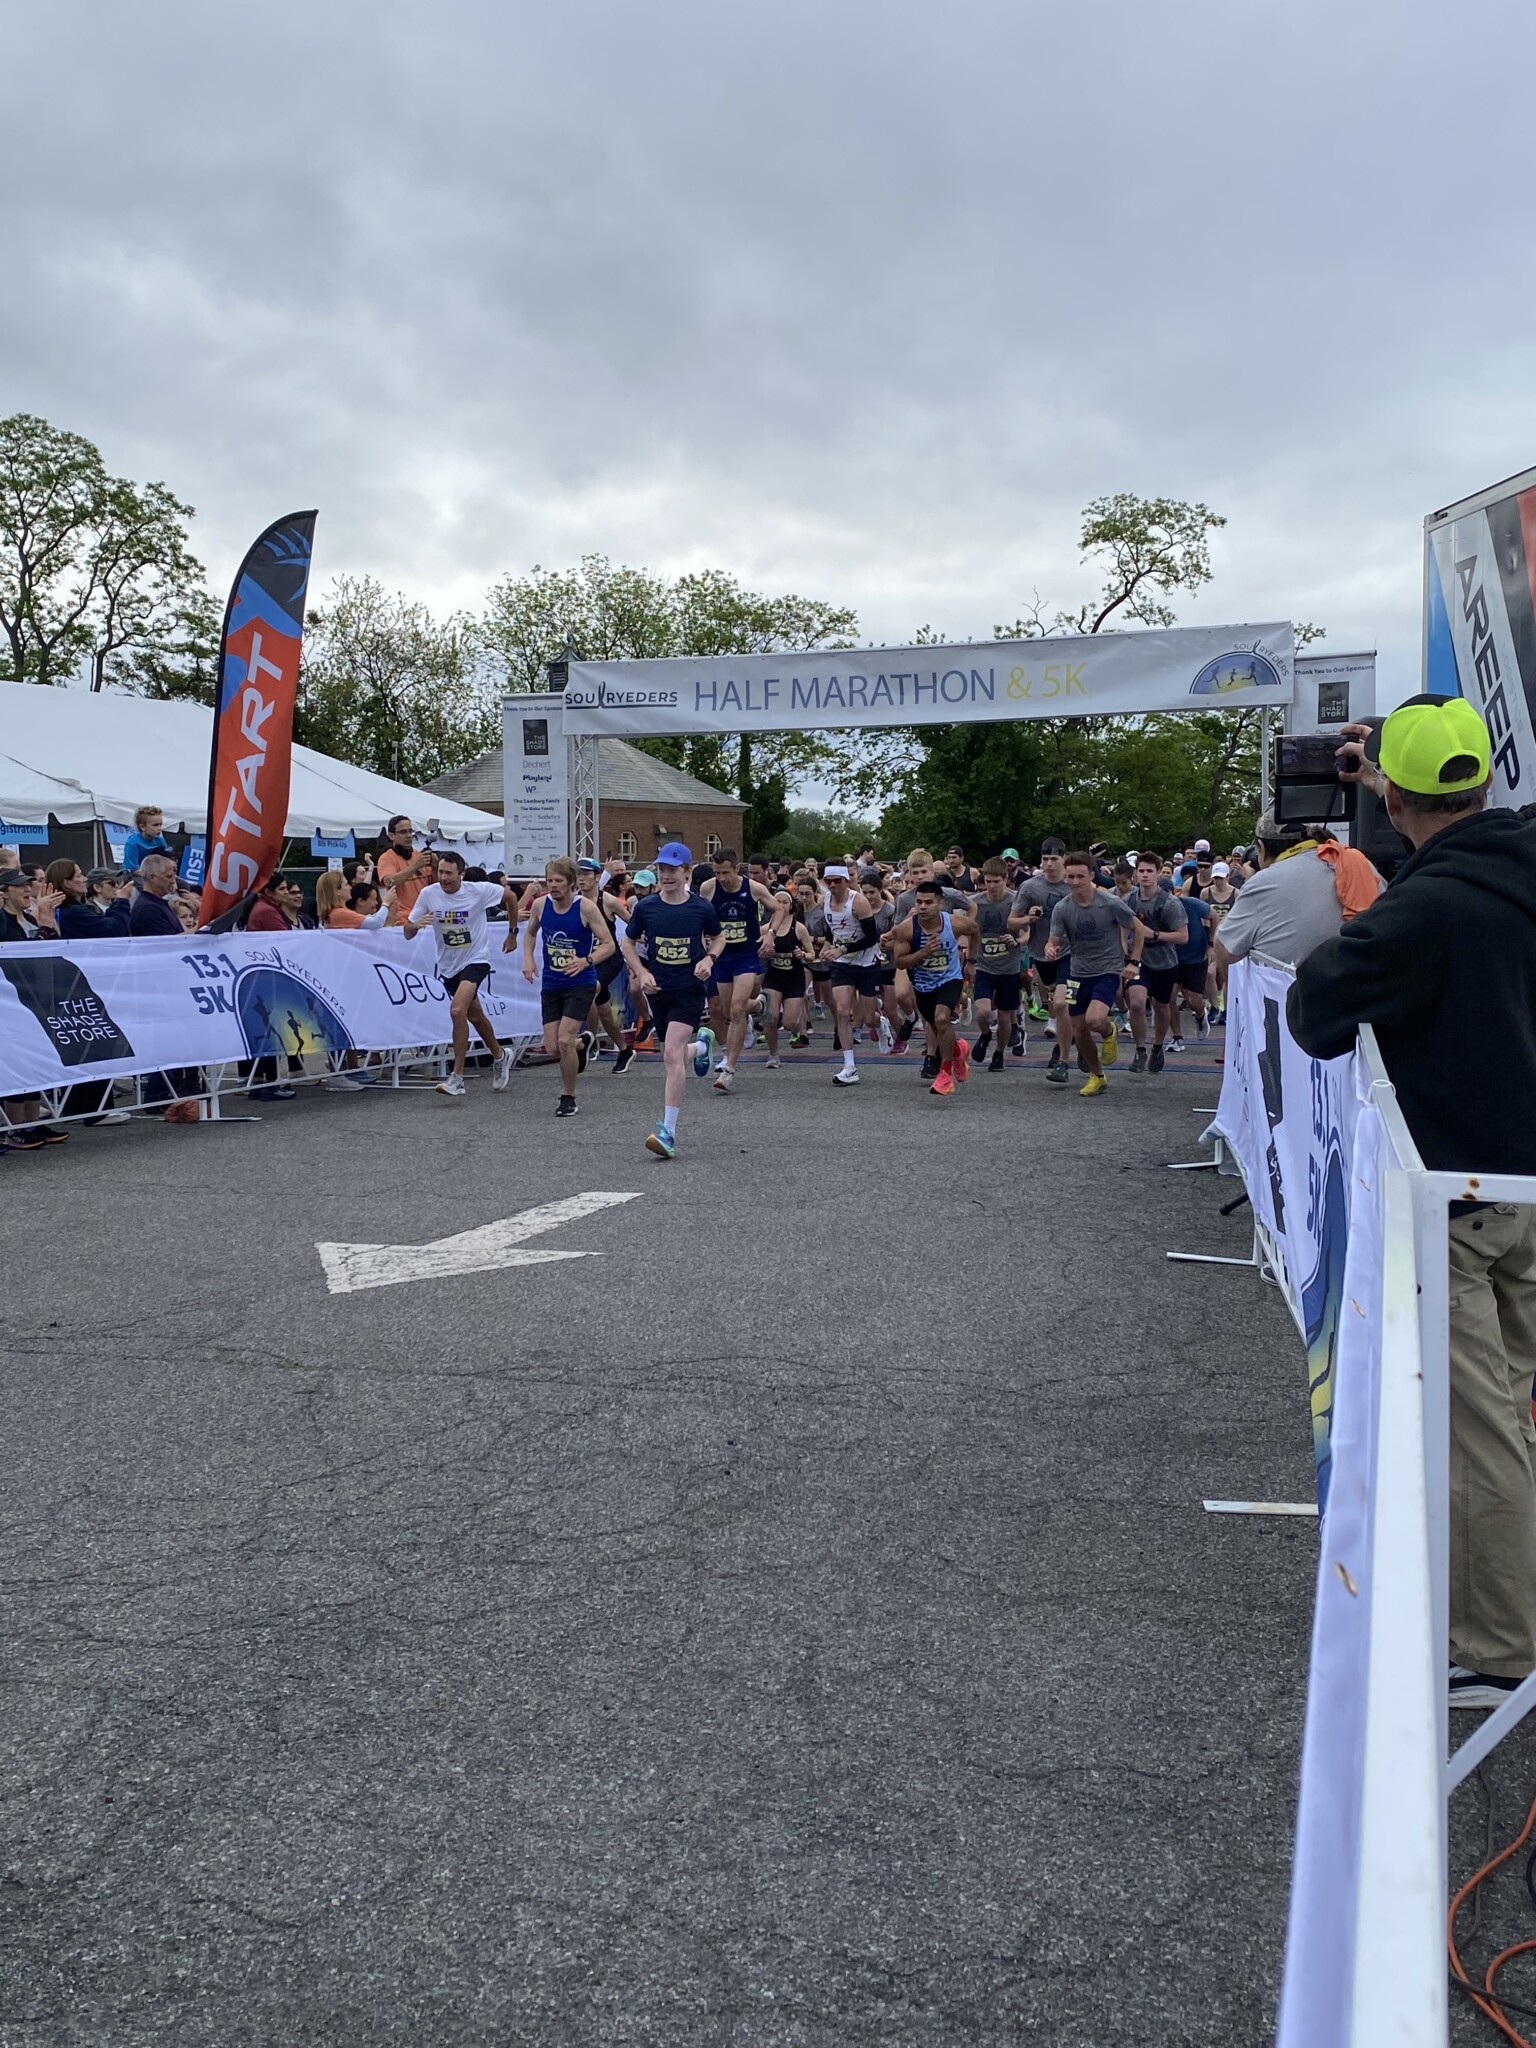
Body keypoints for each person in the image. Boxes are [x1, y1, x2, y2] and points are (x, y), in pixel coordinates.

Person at [1288, 696, 1536, 1712]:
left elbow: (1314, 1009)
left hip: (1464, 1196)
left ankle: (1494, 1643)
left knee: (1477, 1428)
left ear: (1389, 796)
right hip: (1520, 1188)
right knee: (1513, 1406)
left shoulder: (1424, 910)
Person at [618, 842, 725, 1159]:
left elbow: (718, 937)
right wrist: (640, 971)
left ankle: (668, 1132)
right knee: (673, 1053)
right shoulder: (647, 908)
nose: (666, 875)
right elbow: (628, 941)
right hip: (658, 990)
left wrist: (709, 959)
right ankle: (703, 1046)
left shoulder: (701, 909)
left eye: (672, 869)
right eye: (662, 869)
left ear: (687, 872)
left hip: (690, 989)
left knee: (670, 1058)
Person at [405, 851, 517, 1098]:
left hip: (476, 959)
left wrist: (513, 932)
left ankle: (457, 1078)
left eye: (448, 873)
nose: (443, 878)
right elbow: (407, 932)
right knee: (475, 1015)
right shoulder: (429, 894)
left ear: (461, 875)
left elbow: (511, 897)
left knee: (457, 1010)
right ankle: (500, 1056)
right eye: (440, 872)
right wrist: (415, 924)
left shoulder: (478, 890)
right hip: (448, 966)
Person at [520, 856, 614, 1117]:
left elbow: (609, 944)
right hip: (552, 982)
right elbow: (529, 933)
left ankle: (568, 1096)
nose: (553, 886)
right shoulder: (540, 905)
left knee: (563, 1041)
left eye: (559, 881)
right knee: (553, 1047)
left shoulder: (585, 908)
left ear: (572, 883)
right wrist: (528, 958)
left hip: (580, 982)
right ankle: (582, 1042)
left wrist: (586, 961)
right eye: (550, 881)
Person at [1044, 854, 1138, 1097]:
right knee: (1079, 1030)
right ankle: (1097, 1076)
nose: (1075, 882)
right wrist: (1050, 948)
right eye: (1071, 877)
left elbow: (1137, 928)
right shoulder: (1063, 908)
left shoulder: (1108, 902)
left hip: (1107, 969)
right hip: (1077, 972)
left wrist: (1134, 961)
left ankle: (1109, 1031)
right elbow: (1053, 939)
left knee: (1094, 1020)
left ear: (1092, 877)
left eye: (1080, 877)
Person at [1213, 810, 1347, 970]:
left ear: (1261, 848)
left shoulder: (1264, 881)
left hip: (1296, 992)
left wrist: (1250, 882)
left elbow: (1224, 952)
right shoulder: (1357, 864)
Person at [129, 855, 203, 1120]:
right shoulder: (147, 908)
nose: (174, 879)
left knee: (174, 1040)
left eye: (174, 874)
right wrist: (198, 934)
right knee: (166, 1041)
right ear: (151, 877)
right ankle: (158, 1095)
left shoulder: (158, 905)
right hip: (157, 983)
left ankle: (170, 1091)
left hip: (167, 981)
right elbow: (164, 945)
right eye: (169, 875)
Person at [700, 849, 776, 1093]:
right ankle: (760, 1005)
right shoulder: (708, 888)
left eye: (726, 872)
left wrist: (770, 935)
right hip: (722, 955)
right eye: (717, 872)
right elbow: (702, 917)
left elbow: (780, 908)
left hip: (746, 954)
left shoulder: (753, 888)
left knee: (735, 1008)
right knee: (727, 1010)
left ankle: (729, 1069)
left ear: (736, 868)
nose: (722, 877)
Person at [892, 878, 977, 1095]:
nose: (922, 906)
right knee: (939, 1027)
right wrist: (923, 953)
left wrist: (971, 962)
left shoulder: (954, 923)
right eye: (919, 901)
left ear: (940, 903)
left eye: (928, 902)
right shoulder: (906, 930)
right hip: (923, 984)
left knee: (942, 1019)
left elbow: (975, 930)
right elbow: (900, 962)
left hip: (950, 979)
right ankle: (959, 1050)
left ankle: (945, 1074)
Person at [818, 864, 882, 1088]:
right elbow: (831, 927)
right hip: (841, 964)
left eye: (837, 881)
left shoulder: (859, 902)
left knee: (869, 1017)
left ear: (846, 880)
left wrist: (842, 949)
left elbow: (872, 937)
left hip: (866, 962)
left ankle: (879, 1022)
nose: (833, 885)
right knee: (843, 1011)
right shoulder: (824, 899)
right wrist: (827, 945)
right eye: (829, 881)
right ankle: (849, 1066)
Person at [1125, 853, 1187, 1075]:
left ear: (1158, 873)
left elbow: (1183, 936)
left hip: (1164, 961)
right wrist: (1124, 944)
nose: (1145, 875)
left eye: (1149, 871)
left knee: (1162, 1006)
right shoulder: (1130, 900)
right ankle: (1140, 1049)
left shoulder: (1170, 903)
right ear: (1135, 873)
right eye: (1141, 871)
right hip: (1139, 960)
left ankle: (1158, 1046)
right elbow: (1120, 922)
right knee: (1137, 1003)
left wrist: (1156, 934)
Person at [1014, 840, 1071, 1072]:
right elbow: (1012, 921)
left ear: (1063, 859)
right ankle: (1073, 1037)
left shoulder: (1073, 883)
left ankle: (1062, 1056)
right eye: (1045, 859)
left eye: (1054, 859)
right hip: (1041, 953)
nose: (1049, 864)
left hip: (1071, 953)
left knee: (1061, 1003)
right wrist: (1028, 919)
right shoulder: (1030, 887)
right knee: (1057, 1003)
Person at [969, 858, 1027, 1072]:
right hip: (985, 966)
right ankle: (985, 1035)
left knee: (1004, 1015)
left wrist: (1018, 941)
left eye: (996, 881)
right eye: (988, 881)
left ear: (1006, 880)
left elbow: (1028, 929)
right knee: (982, 1011)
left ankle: (999, 1053)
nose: (992, 886)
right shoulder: (976, 902)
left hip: (1009, 968)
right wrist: (969, 960)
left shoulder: (1015, 902)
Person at [756, 889, 815, 1068]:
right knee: (770, 1017)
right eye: (777, 901)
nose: (781, 905)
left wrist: (802, 953)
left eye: (784, 902)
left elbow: (812, 954)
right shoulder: (766, 929)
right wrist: (765, 953)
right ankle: (773, 1055)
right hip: (773, 977)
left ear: (791, 906)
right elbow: (755, 953)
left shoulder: (799, 928)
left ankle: (798, 1027)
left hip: (794, 977)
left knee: (789, 1022)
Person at [376, 815, 436, 925]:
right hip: (403, 920)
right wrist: (415, 866)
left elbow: (433, 885)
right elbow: (389, 882)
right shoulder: (387, 858)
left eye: (410, 831)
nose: (409, 836)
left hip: (425, 917)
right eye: (403, 832)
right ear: (391, 835)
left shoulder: (419, 855)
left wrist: (435, 868)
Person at [122, 804, 173, 876]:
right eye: (155, 825)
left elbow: (165, 862)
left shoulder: (160, 840)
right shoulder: (133, 844)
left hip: (156, 876)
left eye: (160, 824)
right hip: (136, 878)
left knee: (182, 884)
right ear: (142, 827)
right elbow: (133, 870)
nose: (160, 828)